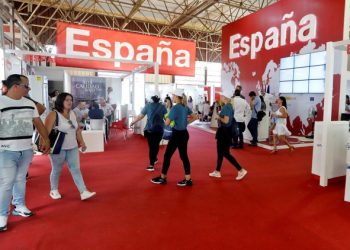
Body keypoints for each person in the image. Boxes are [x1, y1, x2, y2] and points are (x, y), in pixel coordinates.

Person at [0, 74, 50, 232]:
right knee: (7, 182)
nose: (28, 89)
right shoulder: (1, 102)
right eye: (26, 86)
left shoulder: (29, 103)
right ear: (16, 86)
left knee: (21, 179)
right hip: (6, 150)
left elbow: (38, 122)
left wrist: (46, 139)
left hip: (26, 149)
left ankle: (19, 205)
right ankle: (2, 214)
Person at [45, 92, 96, 201]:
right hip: (58, 148)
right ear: (60, 101)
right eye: (67, 100)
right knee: (57, 169)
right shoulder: (53, 114)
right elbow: (45, 132)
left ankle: (83, 191)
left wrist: (82, 142)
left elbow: (77, 129)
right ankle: (53, 190)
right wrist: (45, 145)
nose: (70, 102)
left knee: (76, 169)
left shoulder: (72, 113)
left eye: (71, 100)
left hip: (72, 147)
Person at [151, 89, 197, 186]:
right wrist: (186, 123)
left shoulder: (175, 108)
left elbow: (167, 123)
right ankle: (188, 179)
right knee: (184, 156)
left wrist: (163, 119)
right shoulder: (185, 107)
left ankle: (163, 178)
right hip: (184, 133)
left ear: (177, 96)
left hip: (177, 135)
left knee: (167, 155)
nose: (172, 97)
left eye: (173, 95)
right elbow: (195, 117)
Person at [209, 91, 248, 180]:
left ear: (225, 98)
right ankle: (217, 171)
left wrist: (218, 117)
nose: (221, 97)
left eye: (222, 96)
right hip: (226, 132)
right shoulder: (230, 106)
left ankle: (240, 170)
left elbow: (226, 121)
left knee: (224, 153)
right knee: (221, 152)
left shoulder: (227, 107)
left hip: (224, 132)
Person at [130, 94, 167, 171]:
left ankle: (151, 165)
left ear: (151, 99)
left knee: (151, 146)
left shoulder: (148, 105)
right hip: (160, 129)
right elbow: (166, 118)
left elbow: (140, 116)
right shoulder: (163, 106)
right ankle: (155, 158)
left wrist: (133, 122)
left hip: (150, 129)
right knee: (156, 145)